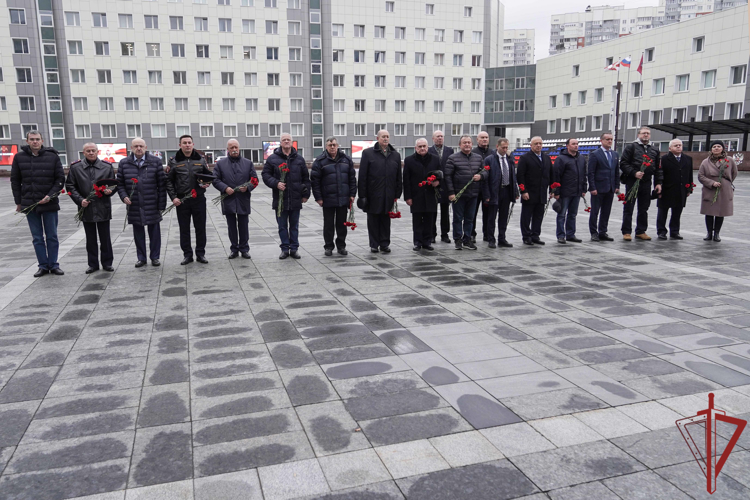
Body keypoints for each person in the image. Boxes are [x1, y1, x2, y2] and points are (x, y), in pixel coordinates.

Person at [11, 130, 65, 277]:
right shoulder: (19, 157)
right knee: (37, 237)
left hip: (49, 203)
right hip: (30, 203)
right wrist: (18, 201)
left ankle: (53, 265)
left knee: (52, 235)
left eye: (37, 139)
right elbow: (15, 180)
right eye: (32, 139)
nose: (35, 142)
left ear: (42, 141)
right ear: (27, 141)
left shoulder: (52, 157)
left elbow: (60, 179)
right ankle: (42, 265)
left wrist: (50, 195)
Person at [65, 143, 116, 274]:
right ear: (84, 152)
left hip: (102, 206)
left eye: (93, 150)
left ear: (98, 152)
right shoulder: (76, 168)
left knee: (105, 237)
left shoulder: (107, 166)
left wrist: (110, 190)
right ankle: (92, 264)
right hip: (86, 207)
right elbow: (70, 186)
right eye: (88, 151)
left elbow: (113, 184)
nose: (91, 153)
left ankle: (107, 263)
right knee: (90, 238)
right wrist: (79, 200)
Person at [117, 138, 167, 267]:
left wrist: (161, 204)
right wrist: (124, 197)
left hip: (152, 203)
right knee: (138, 233)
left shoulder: (155, 162)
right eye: (136, 146)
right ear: (131, 148)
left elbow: (161, 185)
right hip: (134, 204)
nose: (138, 148)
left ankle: (155, 257)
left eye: (141, 146)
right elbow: (120, 184)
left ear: (145, 147)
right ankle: (141, 258)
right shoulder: (124, 163)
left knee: (154, 233)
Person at [262, 133, 310, 259]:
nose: (286, 141)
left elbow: (306, 178)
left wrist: (305, 194)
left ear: (292, 142)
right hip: (280, 200)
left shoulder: (299, 159)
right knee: (282, 226)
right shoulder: (272, 159)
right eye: (284, 140)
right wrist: (276, 183)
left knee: (294, 226)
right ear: (281, 143)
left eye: (288, 139)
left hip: (295, 199)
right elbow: (265, 175)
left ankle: (294, 249)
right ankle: (284, 248)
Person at [167, 135, 212, 265]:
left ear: (193, 144)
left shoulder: (201, 159)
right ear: (180, 145)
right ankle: (187, 255)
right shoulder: (174, 161)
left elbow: (208, 175)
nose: (187, 145)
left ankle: (200, 254)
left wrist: (207, 183)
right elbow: (168, 181)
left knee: (200, 228)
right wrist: (174, 197)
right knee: (184, 228)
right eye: (184, 143)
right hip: (182, 201)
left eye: (189, 142)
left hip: (198, 199)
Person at [358, 129, 403, 253]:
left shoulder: (395, 155)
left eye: (387, 136)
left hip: (388, 194)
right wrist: (362, 195)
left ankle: (384, 243)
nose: (385, 139)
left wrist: (397, 193)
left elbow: (399, 176)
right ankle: (374, 244)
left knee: (385, 220)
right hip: (373, 194)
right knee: (373, 220)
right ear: (377, 138)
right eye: (383, 136)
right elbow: (362, 176)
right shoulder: (368, 153)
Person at [213, 139, 258, 259]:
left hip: (243, 199)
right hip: (228, 199)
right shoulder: (220, 164)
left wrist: (247, 187)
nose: (234, 150)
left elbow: (254, 180)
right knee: (231, 226)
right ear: (227, 149)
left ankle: (244, 249)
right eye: (231, 148)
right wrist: (225, 188)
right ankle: (234, 249)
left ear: (239, 148)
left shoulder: (248, 163)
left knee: (244, 226)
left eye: (236, 147)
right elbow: (215, 179)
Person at [311, 136, 356, 256]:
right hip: (327, 198)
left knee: (342, 224)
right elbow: (315, 181)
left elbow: (352, 179)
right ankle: (328, 246)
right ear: (326, 146)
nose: (332, 147)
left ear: (337, 146)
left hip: (343, 198)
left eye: (334, 145)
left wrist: (352, 194)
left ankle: (341, 246)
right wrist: (318, 198)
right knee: (328, 224)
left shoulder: (346, 160)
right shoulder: (320, 161)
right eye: (330, 145)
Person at [620, 126, 662, 241]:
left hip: (646, 182)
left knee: (644, 208)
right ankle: (626, 231)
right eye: (643, 133)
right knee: (629, 207)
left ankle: (641, 231)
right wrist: (634, 173)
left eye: (648, 133)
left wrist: (658, 183)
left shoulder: (654, 149)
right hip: (632, 181)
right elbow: (623, 164)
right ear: (638, 135)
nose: (646, 135)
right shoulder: (631, 147)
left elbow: (658, 168)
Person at [445, 135, 486, 250]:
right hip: (458, 194)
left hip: (473, 194)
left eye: (469, 142)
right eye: (464, 143)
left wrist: (481, 176)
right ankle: (458, 239)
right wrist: (451, 192)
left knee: (470, 218)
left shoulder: (478, 158)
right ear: (460, 145)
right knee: (458, 218)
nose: (467, 144)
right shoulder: (453, 158)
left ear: (472, 144)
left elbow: (485, 171)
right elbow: (448, 176)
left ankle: (467, 239)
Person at [403, 138, 441, 251]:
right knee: (417, 220)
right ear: (416, 148)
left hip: (430, 195)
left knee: (430, 220)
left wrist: (438, 182)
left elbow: (440, 174)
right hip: (416, 196)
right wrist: (408, 197)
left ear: (428, 147)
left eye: (424, 146)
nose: (422, 148)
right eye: (420, 147)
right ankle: (417, 242)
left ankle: (427, 242)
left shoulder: (435, 159)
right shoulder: (409, 160)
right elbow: (406, 180)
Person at [516, 136, 554, 245]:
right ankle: (526, 236)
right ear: (531, 145)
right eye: (536, 144)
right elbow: (520, 176)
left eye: (540, 144)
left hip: (541, 192)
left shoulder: (546, 158)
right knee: (526, 216)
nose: (538, 145)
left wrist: (552, 189)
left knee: (539, 215)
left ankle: (535, 235)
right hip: (529, 192)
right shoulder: (525, 158)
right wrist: (523, 191)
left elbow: (551, 175)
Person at [481, 138, 518, 248]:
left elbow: (513, 176)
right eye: (503, 147)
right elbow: (485, 179)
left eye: (507, 147)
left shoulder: (510, 159)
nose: (505, 150)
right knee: (491, 217)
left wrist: (515, 191)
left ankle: (502, 238)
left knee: (504, 216)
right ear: (497, 147)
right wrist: (487, 195)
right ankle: (491, 239)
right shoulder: (489, 159)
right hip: (494, 191)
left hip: (506, 190)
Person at [699, 140, 738, 242]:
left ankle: (717, 233)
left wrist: (726, 182)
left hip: (723, 189)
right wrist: (712, 183)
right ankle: (709, 233)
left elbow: (734, 173)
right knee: (709, 211)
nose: (716, 148)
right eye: (714, 146)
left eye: (719, 146)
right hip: (710, 189)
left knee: (721, 212)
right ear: (711, 149)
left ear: (722, 148)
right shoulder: (705, 161)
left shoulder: (729, 160)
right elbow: (701, 176)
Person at [656, 139, 693, 240]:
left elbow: (689, 175)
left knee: (677, 212)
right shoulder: (663, 159)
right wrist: (658, 185)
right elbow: (659, 173)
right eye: (675, 145)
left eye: (680, 145)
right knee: (662, 212)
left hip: (681, 190)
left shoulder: (688, 159)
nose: (678, 147)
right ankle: (661, 231)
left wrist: (689, 188)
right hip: (666, 189)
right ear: (670, 148)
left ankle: (675, 231)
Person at [553, 138, 587, 244]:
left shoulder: (581, 158)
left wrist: (584, 188)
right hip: (565, 192)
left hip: (576, 191)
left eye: (577, 144)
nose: (576, 146)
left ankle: (570, 234)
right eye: (573, 144)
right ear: (567, 145)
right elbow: (556, 176)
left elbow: (583, 174)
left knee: (572, 214)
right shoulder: (561, 159)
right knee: (562, 214)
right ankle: (561, 235)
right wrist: (556, 192)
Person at [587, 133, 620, 242]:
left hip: (610, 188)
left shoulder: (614, 154)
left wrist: (617, 186)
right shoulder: (595, 154)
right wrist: (592, 187)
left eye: (611, 139)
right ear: (601, 141)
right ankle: (593, 232)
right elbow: (591, 172)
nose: (610, 141)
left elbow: (616, 172)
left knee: (606, 211)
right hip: (598, 188)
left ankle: (603, 231)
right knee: (595, 211)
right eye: (607, 139)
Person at [428, 130, 454, 243]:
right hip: (433, 184)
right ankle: (432, 234)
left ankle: (445, 234)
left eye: (441, 136)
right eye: (437, 136)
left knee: (445, 211)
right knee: (432, 211)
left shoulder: (450, 150)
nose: (440, 138)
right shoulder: (429, 150)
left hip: (445, 185)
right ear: (433, 138)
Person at [471, 131, 492, 243]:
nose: (484, 139)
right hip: (476, 187)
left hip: (488, 188)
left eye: (486, 137)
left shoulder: (492, 153)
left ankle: (487, 234)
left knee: (488, 213)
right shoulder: (473, 153)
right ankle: (471, 234)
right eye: (482, 137)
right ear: (477, 140)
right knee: (472, 212)